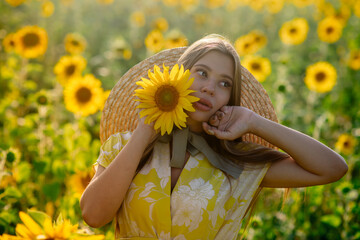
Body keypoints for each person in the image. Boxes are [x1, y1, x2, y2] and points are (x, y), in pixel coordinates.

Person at [80, 34, 348, 239]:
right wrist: (145, 130)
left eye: (224, 84)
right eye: (202, 73)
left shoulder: (238, 165)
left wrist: (255, 122)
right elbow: (93, 215)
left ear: (230, 98)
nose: (209, 88)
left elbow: (332, 168)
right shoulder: (124, 145)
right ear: (178, 76)